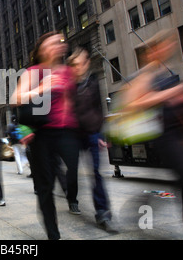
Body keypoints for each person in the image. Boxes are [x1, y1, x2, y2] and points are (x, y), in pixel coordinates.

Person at [120, 29, 183, 240]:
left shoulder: (164, 73)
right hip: (165, 136)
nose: (169, 48)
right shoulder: (146, 75)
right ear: (152, 51)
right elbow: (131, 103)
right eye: (164, 45)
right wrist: (172, 93)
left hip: (179, 135)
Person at [11, 31, 80, 240]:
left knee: (74, 171)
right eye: (50, 43)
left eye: (59, 43)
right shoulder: (32, 72)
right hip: (42, 134)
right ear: (41, 50)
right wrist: (40, 88)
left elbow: (72, 102)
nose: (56, 46)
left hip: (67, 131)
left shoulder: (68, 72)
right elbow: (15, 99)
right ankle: (53, 233)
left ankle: (73, 198)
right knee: (45, 186)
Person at [68, 47, 116, 232]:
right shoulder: (68, 87)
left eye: (82, 63)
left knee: (97, 173)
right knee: (72, 171)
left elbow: (99, 109)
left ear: (87, 64)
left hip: (92, 133)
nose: (79, 67)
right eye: (75, 65)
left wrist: (102, 135)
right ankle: (72, 198)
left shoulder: (93, 82)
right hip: (73, 135)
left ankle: (103, 212)